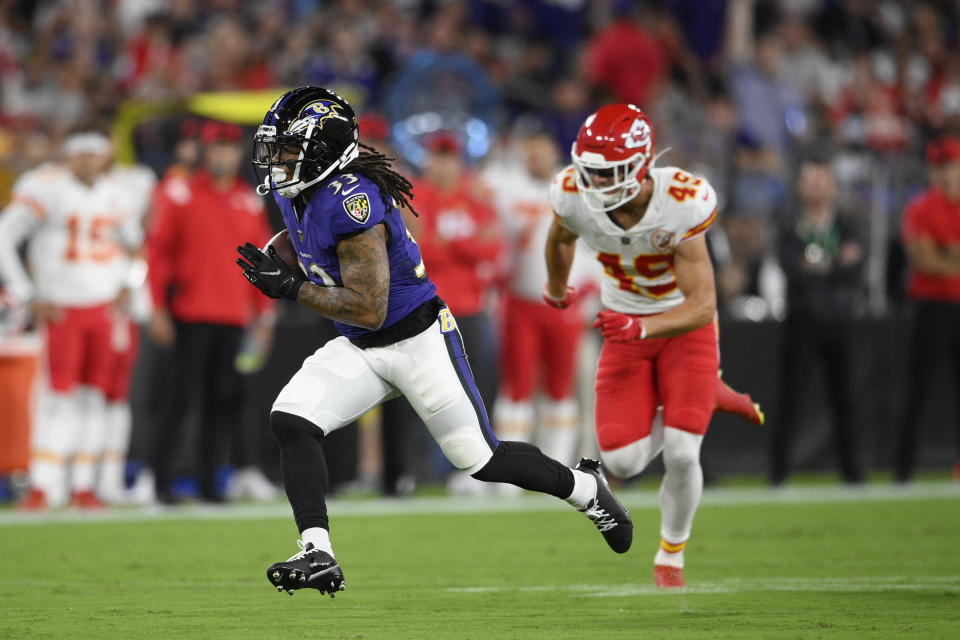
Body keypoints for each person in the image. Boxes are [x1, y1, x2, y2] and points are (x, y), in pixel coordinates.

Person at [235, 86, 633, 597]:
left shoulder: (352, 202)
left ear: (323, 152)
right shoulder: (305, 192)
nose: (279, 159)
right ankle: (318, 551)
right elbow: (315, 246)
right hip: (361, 345)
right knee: (292, 419)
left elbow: (369, 306)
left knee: (482, 459)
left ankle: (584, 489)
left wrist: (291, 286)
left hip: (415, 339)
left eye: (290, 148)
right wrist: (288, 254)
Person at [544, 104, 721, 588]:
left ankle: (672, 553)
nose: (594, 183)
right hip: (626, 329)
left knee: (684, 452)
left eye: (607, 173)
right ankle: (692, 398)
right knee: (620, 462)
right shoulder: (572, 193)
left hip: (682, 328)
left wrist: (645, 328)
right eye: (589, 171)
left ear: (641, 164)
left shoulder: (681, 200)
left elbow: (703, 304)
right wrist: (557, 288)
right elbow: (560, 236)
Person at [0, 131, 140, 509]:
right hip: (62, 307)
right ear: (69, 156)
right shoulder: (48, 189)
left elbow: (139, 246)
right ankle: (43, 484)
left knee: (93, 397)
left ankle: (83, 483)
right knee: (56, 397)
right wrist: (28, 294)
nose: (89, 161)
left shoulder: (117, 192)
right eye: (82, 154)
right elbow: (4, 235)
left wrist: (130, 283)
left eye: (95, 154)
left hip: (104, 307)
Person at [147, 120, 275, 504]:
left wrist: (265, 316)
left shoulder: (247, 199)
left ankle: (209, 484)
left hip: (235, 320)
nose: (223, 154)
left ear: (237, 153)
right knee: (180, 400)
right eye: (216, 147)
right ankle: (162, 483)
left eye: (229, 147)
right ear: (205, 152)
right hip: (190, 315)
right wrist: (156, 309)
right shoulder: (181, 194)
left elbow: (262, 260)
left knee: (223, 402)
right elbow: (158, 254)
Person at [484, 128, 595, 466]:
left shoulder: (577, 190)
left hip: (565, 303)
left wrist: (591, 294)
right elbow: (490, 229)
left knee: (560, 388)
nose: (536, 160)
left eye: (541, 153)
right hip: (521, 301)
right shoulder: (505, 187)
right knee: (516, 386)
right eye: (530, 154)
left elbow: (595, 248)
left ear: (554, 154)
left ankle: (557, 466)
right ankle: (511, 468)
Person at [770, 155, 864, 486]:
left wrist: (819, 266)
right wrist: (833, 264)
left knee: (844, 399)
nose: (817, 188)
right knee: (790, 398)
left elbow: (854, 269)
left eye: (822, 181)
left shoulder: (846, 224)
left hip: (838, 320)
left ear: (833, 187)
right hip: (803, 320)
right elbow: (792, 269)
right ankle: (778, 473)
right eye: (810, 181)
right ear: (800, 186)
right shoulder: (789, 222)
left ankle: (852, 472)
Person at [895, 136, 960, 482]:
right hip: (931, 306)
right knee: (918, 390)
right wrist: (943, 254)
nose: (945, 173)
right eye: (940, 167)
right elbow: (925, 260)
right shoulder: (921, 207)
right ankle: (903, 471)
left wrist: (947, 252)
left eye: (950, 165)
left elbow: (938, 258)